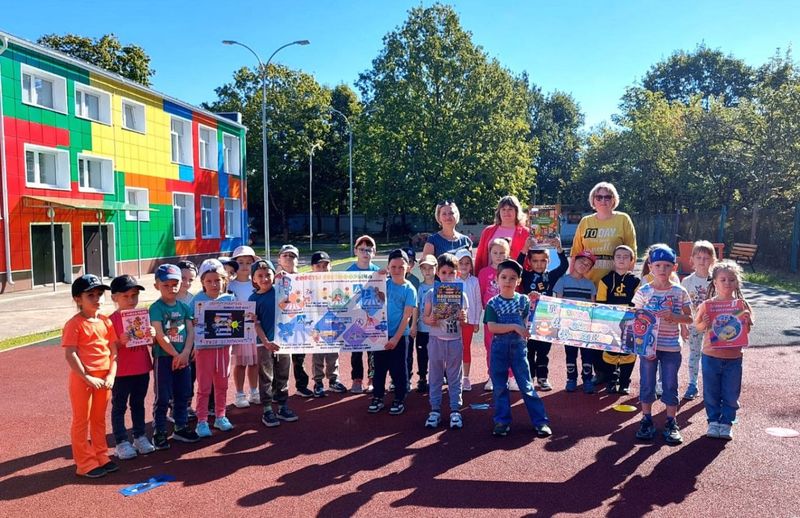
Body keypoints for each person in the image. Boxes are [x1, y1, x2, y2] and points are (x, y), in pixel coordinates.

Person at [632, 245, 693, 445]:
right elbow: (635, 319)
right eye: (658, 265)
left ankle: (670, 422)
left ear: (674, 267)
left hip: (671, 347)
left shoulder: (679, 291)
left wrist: (674, 316)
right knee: (647, 383)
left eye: (667, 265)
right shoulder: (643, 292)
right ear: (650, 267)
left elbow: (689, 318)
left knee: (670, 384)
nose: (662, 269)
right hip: (649, 348)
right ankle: (646, 420)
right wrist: (642, 346)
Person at [484, 259, 552, 438]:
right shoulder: (492, 303)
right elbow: (492, 327)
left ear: (519, 281)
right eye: (504, 277)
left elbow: (532, 320)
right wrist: (514, 327)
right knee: (499, 386)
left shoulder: (523, 300)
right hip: (498, 349)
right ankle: (501, 421)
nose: (508, 281)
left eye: (513, 278)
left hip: (519, 349)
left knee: (526, 385)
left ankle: (541, 422)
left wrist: (536, 302)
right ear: (496, 280)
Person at [63, 274, 119, 478]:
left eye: (99, 294)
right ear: (78, 299)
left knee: (98, 419)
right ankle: (85, 463)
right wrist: (87, 377)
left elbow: (113, 350)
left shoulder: (105, 321)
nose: (97, 299)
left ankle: (101, 455)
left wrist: (111, 374)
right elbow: (71, 354)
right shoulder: (75, 324)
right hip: (83, 380)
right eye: (90, 295)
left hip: (104, 380)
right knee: (81, 420)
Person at [694, 260, 753, 441]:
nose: (727, 283)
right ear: (715, 282)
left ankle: (727, 423)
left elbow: (746, 330)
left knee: (730, 392)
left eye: (732, 280)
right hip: (711, 356)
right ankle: (713, 421)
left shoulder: (741, 305)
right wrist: (705, 322)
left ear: (737, 282)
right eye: (723, 279)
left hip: (734, 357)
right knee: (711, 392)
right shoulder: (707, 305)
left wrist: (747, 320)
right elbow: (698, 327)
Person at [149, 264, 200, 450]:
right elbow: (159, 334)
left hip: (183, 359)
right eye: (166, 285)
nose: (171, 288)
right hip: (164, 358)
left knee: (183, 393)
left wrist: (186, 353)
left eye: (175, 284)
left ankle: (181, 426)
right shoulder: (156, 308)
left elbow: (190, 331)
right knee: (162, 396)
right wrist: (175, 354)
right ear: (157, 286)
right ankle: (159, 431)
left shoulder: (185, 308)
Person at [108, 275, 156, 460]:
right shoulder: (110, 320)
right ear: (115, 298)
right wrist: (120, 342)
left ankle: (139, 436)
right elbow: (108, 347)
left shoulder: (143, 316)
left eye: (134, 295)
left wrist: (152, 335)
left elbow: (151, 343)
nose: (130, 300)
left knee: (138, 404)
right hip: (120, 372)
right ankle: (121, 441)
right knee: (119, 406)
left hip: (141, 368)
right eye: (125, 296)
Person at [367, 249, 416, 416]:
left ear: (408, 267)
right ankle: (378, 397)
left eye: (401, 267)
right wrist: (377, 275)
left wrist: (395, 338)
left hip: (399, 337)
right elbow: (364, 290)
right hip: (380, 336)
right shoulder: (383, 283)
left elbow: (406, 317)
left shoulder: (409, 289)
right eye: (393, 267)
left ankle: (399, 398)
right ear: (388, 267)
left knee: (398, 369)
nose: (397, 270)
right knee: (379, 368)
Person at [422, 253, 468, 429]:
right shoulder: (431, 294)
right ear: (438, 274)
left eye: (451, 273)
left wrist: (463, 317)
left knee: (455, 376)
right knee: (434, 376)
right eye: (443, 272)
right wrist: (430, 319)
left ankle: (455, 410)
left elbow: (464, 320)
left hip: (454, 340)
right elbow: (425, 318)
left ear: (456, 274)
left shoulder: (461, 295)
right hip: (435, 340)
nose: (447, 276)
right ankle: (435, 410)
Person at [517, 236, 568, 391]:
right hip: (529, 319)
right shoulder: (525, 275)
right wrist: (525, 248)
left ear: (548, 261)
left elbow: (564, 266)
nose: (539, 264)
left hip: (547, 318)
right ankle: (530, 378)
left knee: (543, 351)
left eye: (543, 261)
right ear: (530, 262)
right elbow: (516, 266)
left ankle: (543, 378)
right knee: (529, 350)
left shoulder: (551, 275)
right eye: (535, 261)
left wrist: (559, 248)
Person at [250, 259, 297, 427]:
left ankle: (283, 405)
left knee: (283, 373)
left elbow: (295, 293)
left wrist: (286, 277)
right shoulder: (252, 299)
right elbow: (256, 324)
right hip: (263, 344)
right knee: (266, 376)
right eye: (260, 276)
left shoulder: (280, 291)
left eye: (268, 274)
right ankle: (267, 409)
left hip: (284, 342)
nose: (264, 279)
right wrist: (266, 341)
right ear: (253, 279)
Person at [192, 260, 236, 438]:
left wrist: (246, 319)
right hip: (204, 350)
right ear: (202, 282)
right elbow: (189, 322)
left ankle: (220, 416)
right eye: (209, 281)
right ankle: (201, 421)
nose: (213, 284)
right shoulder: (197, 300)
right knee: (204, 387)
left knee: (222, 384)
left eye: (217, 280)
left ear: (224, 280)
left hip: (224, 348)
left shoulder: (230, 299)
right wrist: (193, 322)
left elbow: (236, 323)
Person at [595, 245, 641, 394]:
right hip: (610, 322)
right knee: (610, 352)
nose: (622, 259)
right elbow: (601, 304)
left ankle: (624, 383)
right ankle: (611, 381)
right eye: (618, 256)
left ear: (632, 261)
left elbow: (637, 304)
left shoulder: (636, 281)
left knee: (628, 352)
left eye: (626, 257)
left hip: (629, 323)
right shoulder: (605, 280)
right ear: (613, 260)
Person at [570, 182, 637, 284]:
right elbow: (575, 253)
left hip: (614, 283)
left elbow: (632, 253)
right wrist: (571, 280)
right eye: (599, 197)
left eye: (608, 197)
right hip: (587, 282)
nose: (603, 200)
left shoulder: (623, 219)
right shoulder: (585, 221)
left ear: (614, 199)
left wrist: (626, 280)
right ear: (593, 200)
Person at [553, 250, 598, 393]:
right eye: (581, 261)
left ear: (590, 268)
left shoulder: (590, 284)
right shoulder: (563, 280)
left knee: (587, 355)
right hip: (568, 326)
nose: (583, 265)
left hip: (585, 327)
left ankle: (587, 380)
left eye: (588, 264)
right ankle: (571, 379)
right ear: (574, 262)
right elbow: (558, 302)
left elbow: (593, 306)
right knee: (570, 353)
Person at [275, 243, 314, 398]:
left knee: (299, 358)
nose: (289, 258)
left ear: (297, 260)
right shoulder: (273, 278)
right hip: (280, 325)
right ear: (279, 259)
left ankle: (301, 386)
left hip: (299, 323)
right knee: (281, 361)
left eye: (292, 256)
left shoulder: (305, 278)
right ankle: (279, 390)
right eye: (285, 255)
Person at [478, 238, 516, 391]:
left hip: (509, 316)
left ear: (507, 254)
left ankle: (512, 377)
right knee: (492, 348)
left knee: (510, 347)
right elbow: (481, 294)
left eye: (502, 253)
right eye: (495, 252)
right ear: (490, 253)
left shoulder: (512, 271)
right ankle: (494, 376)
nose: (499, 256)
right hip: (491, 318)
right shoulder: (484, 273)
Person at [680, 240, 717, 401]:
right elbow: (683, 306)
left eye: (706, 258)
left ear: (712, 260)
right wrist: (683, 326)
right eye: (699, 257)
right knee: (694, 354)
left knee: (713, 356)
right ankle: (692, 384)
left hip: (714, 327)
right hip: (695, 325)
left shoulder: (717, 280)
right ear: (692, 259)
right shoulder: (687, 282)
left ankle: (712, 386)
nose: (702, 261)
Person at [310, 251, 348, 397]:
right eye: (318, 265)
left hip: (332, 322)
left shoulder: (336, 281)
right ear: (312, 267)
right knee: (318, 353)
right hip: (316, 323)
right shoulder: (305, 282)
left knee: (333, 353)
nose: (322, 268)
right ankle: (318, 382)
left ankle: (333, 380)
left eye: (325, 265)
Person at [228, 245, 262, 406]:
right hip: (238, 330)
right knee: (240, 363)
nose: (245, 266)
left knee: (255, 363)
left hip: (255, 329)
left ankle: (254, 391)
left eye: (249, 262)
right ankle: (240, 394)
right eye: (240, 262)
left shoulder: (257, 284)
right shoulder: (229, 285)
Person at [347, 235, 380, 393]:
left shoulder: (378, 272)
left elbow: (382, 296)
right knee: (356, 351)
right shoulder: (348, 272)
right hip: (355, 318)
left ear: (374, 252)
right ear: (355, 251)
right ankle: (357, 379)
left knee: (373, 351)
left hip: (373, 318)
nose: (365, 252)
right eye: (362, 249)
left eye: (369, 249)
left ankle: (372, 379)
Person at [474, 195, 529, 274]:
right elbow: (479, 257)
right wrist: (477, 276)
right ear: (499, 212)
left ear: (516, 211)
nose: (506, 212)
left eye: (510, 209)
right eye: (503, 209)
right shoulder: (488, 231)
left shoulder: (526, 233)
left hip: (513, 279)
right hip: (489, 278)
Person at [456, 249, 481, 391]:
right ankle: (454, 376)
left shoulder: (475, 281)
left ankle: (465, 377)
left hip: (469, 322)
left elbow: (477, 302)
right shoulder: (453, 281)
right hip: (454, 323)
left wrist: (476, 321)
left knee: (466, 348)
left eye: (467, 263)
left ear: (471, 265)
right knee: (453, 349)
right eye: (460, 263)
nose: (464, 266)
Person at [414, 254, 437, 393]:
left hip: (437, 328)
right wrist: (415, 324)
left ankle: (437, 377)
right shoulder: (419, 287)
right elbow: (416, 306)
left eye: (430, 268)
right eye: (424, 268)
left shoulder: (440, 286)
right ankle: (422, 377)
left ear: (436, 268)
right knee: (422, 355)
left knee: (437, 355)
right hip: (423, 328)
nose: (427, 271)